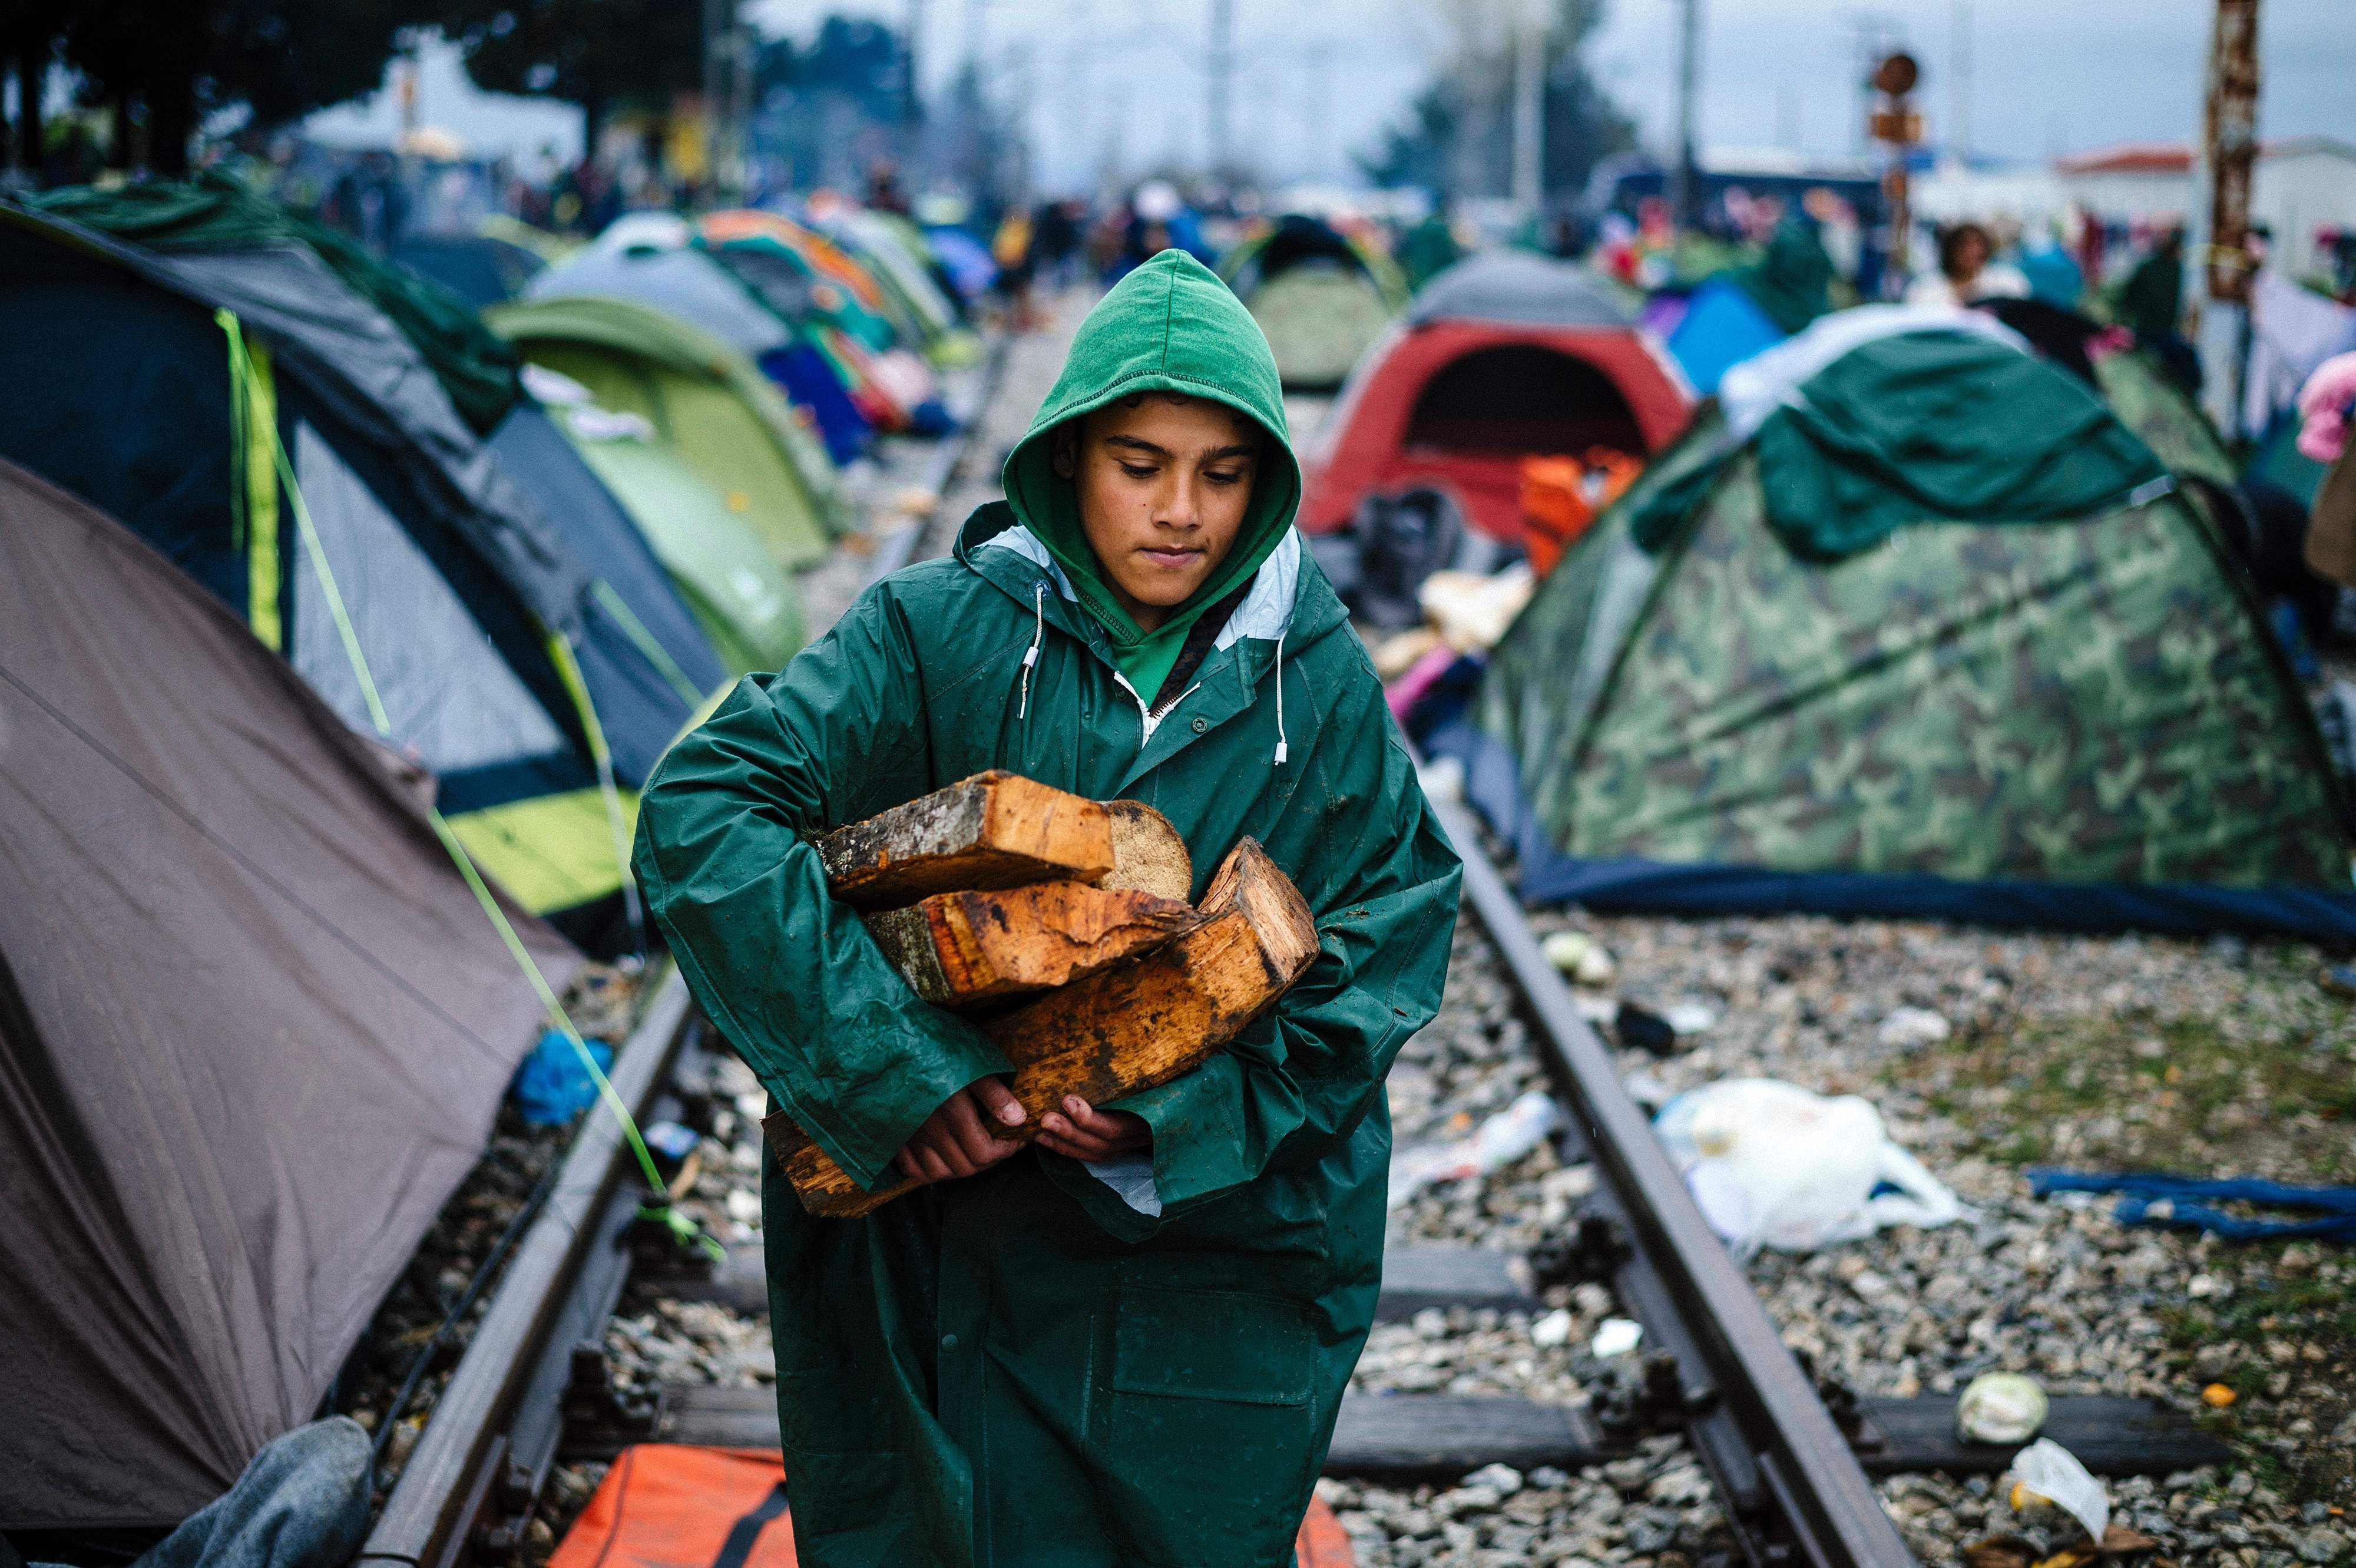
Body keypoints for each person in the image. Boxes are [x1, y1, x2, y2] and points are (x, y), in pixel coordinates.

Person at [632, 250, 1462, 1568]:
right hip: (932, 1252)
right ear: (1068, 456)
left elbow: (1385, 940)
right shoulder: (934, 635)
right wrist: (891, 1072)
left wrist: (1174, 1115)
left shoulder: (1316, 689)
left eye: (1222, 473)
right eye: (1140, 465)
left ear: (1267, 482)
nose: (1180, 511)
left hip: (1199, 1263)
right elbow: (705, 810)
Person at [1905, 220, 2026, 307]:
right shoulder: (1925, 289)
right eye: (1964, 245)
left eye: (1978, 245)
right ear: (1950, 250)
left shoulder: (2007, 282)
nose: (1972, 252)